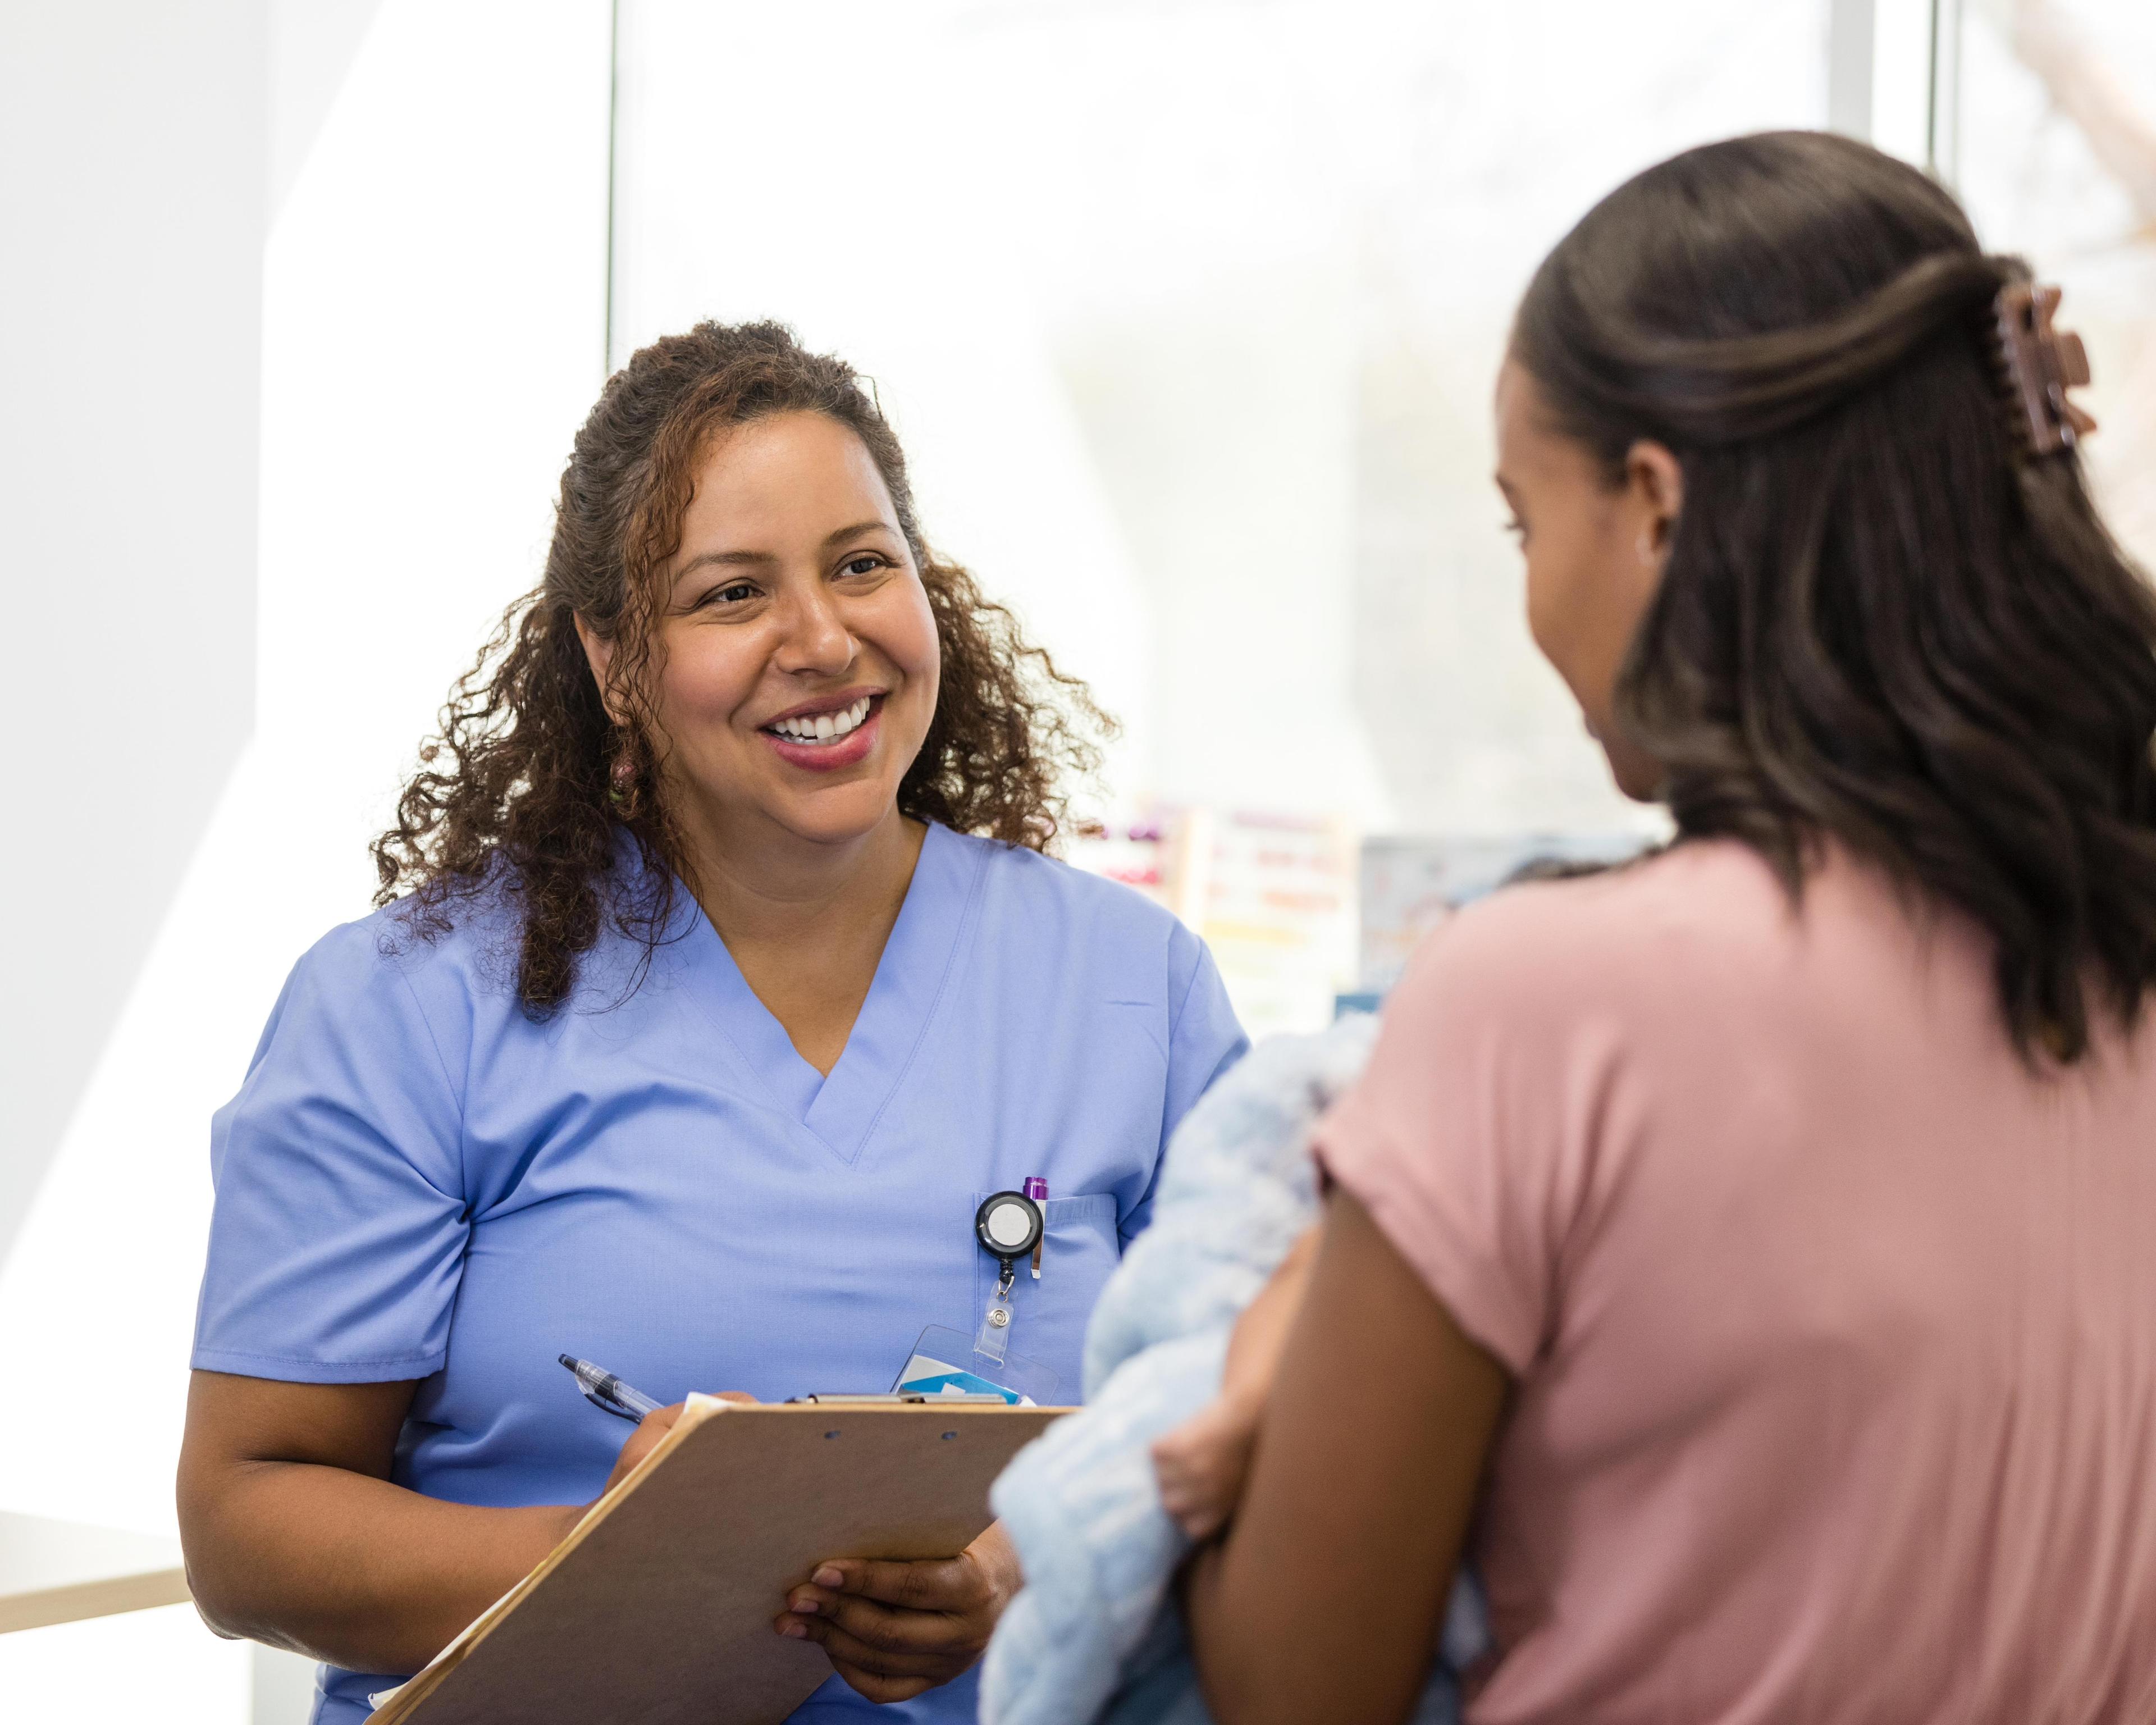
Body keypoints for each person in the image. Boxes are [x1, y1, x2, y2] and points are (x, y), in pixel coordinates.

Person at [1170, 131, 2156, 1723]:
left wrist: (1271, 1333)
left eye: (1520, 522)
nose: (1532, 592)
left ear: (1651, 504)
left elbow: (1293, 1689)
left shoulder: (1548, 1003)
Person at [177, 321, 1247, 1725]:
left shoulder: (1132, 986)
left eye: (864, 563)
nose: (821, 639)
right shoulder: (409, 1003)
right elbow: (246, 1526)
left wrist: (1016, 1574)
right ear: (614, 662)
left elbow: (1246, 1423)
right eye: (732, 593)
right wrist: (623, 1563)